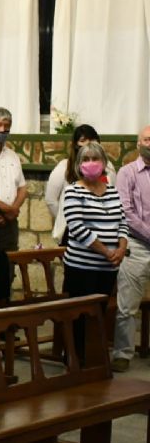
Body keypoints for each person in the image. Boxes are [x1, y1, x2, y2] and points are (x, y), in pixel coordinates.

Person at [62, 141, 127, 365]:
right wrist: (106, 252)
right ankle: (75, 359)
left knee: (99, 313)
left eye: (95, 159)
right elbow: (78, 228)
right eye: (86, 160)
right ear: (79, 165)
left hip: (107, 268)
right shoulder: (73, 190)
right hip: (81, 266)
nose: (91, 164)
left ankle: (95, 361)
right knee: (80, 315)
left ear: (104, 164)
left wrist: (121, 248)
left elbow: (122, 222)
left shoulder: (111, 191)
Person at [111, 125, 150, 372]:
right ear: (138, 144)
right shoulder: (127, 173)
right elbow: (125, 211)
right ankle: (123, 353)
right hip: (137, 245)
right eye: (147, 139)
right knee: (127, 305)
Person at [0, 107, 27, 305]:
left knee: (7, 271)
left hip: (9, 222)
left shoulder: (12, 156)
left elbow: (23, 188)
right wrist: (6, 209)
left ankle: (1, 323)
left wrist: (12, 211)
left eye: (6, 126)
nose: (2, 130)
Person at [45, 124, 116, 221]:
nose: (88, 144)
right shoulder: (64, 167)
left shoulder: (108, 167)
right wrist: (66, 221)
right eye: (83, 141)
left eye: (92, 140)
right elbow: (51, 199)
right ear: (75, 144)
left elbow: (113, 196)